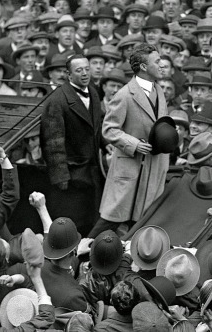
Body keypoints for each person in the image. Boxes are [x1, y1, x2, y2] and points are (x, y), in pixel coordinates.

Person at [90, 43, 169, 237]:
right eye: (157, 61)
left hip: (152, 169)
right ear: (143, 66)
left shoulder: (159, 91)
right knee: (110, 220)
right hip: (130, 168)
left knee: (141, 222)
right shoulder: (125, 95)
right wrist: (133, 144)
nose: (162, 65)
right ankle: (80, 254)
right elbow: (109, 129)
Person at [40, 53, 104, 234]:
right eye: (79, 70)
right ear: (69, 75)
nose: (85, 74)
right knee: (71, 223)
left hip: (92, 172)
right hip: (72, 175)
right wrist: (61, 179)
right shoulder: (57, 101)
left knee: (91, 220)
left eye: (86, 69)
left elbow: (97, 128)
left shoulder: (93, 92)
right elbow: (53, 144)